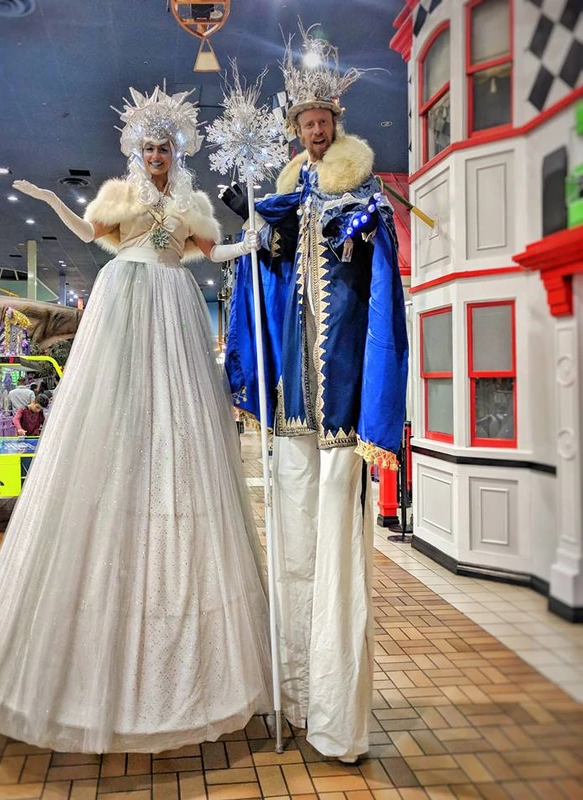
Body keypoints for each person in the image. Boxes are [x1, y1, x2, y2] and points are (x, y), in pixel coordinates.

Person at [0, 85, 271, 754]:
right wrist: (46, 200)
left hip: (171, 301)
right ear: (137, 151)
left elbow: (207, 255)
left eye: (165, 148)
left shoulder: (186, 205)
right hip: (124, 299)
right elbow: (86, 234)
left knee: (177, 429)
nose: (156, 157)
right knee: (110, 412)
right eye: (148, 147)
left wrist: (249, 244)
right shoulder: (121, 200)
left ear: (176, 152)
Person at [223, 25, 408, 764]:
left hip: (340, 416)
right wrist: (262, 242)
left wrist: (367, 229)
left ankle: (336, 719)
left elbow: (382, 290)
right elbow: (262, 286)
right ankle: (295, 698)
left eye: (323, 119)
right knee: (291, 551)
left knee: (336, 562)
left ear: (335, 122)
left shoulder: (361, 191)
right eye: (305, 121)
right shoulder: (283, 197)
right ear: (297, 128)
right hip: (292, 413)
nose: (315, 128)